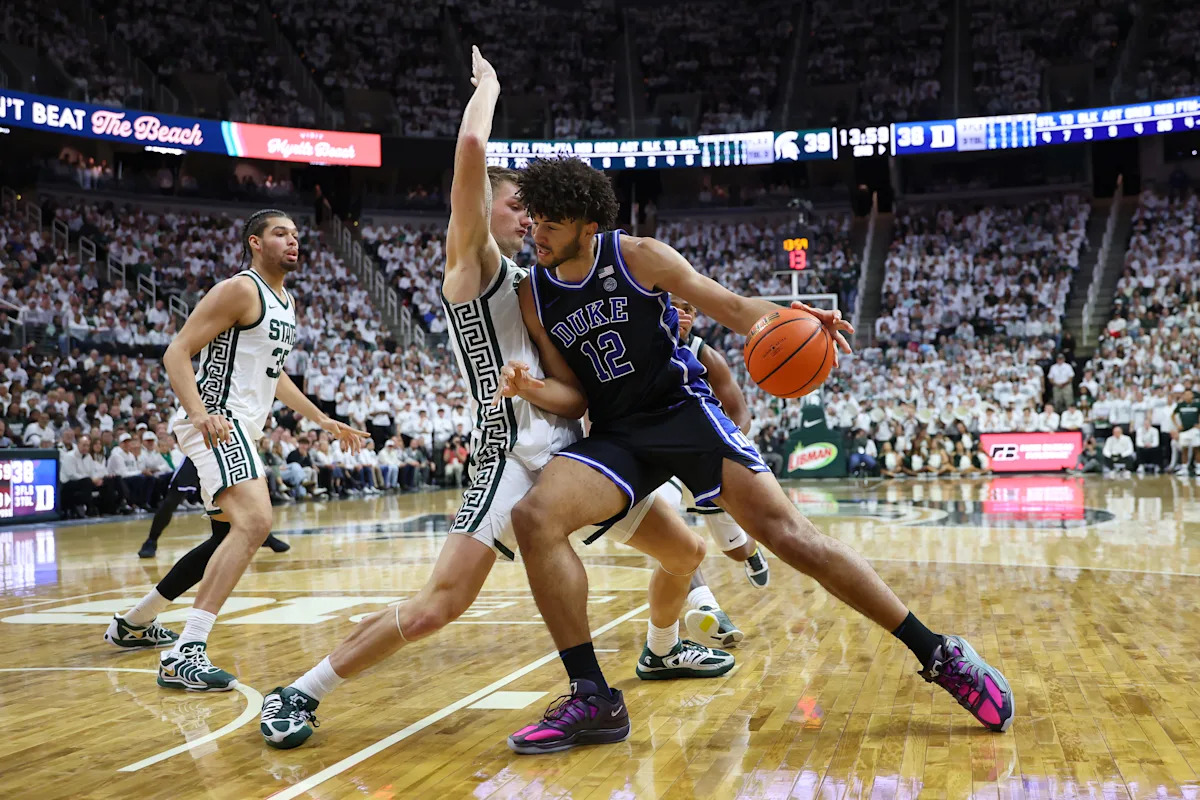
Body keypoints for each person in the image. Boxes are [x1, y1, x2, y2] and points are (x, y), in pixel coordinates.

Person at [259, 50, 732, 751]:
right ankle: (300, 691)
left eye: (535, 212)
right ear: (483, 209)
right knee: (440, 605)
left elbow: (573, 395)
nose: (530, 218)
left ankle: (660, 651)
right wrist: (489, 88)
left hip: (571, 451)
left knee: (686, 552)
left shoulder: (537, 284)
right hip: (507, 452)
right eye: (517, 206)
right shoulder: (472, 264)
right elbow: (472, 154)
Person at [504, 155, 1014, 754]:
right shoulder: (534, 294)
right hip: (616, 432)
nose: (537, 234)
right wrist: (532, 388)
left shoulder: (638, 256)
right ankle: (593, 696)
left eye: (552, 225)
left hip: (682, 414)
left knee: (793, 538)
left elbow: (730, 306)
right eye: (535, 220)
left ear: (589, 227)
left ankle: (939, 653)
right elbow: (574, 395)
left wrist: (791, 318)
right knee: (534, 517)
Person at [105, 208, 367, 691]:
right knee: (256, 522)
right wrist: (200, 413)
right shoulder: (241, 289)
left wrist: (322, 419)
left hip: (241, 426)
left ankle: (133, 623)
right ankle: (186, 652)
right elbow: (176, 352)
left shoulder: (285, 300)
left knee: (223, 538)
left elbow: (274, 374)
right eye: (280, 234)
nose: (293, 241)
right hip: (219, 421)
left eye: (295, 234)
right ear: (255, 243)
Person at [669, 297, 770, 648]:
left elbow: (740, 414)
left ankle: (751, 553)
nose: (680, 312)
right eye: (672, 304)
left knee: (735, 549)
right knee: (668, 530)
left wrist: (721, 449)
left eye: (688, 308)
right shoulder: (640, 345)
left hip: (704, 456)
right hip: (661, 456)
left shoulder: (707, 356)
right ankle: (707, 606)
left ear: (695, 316)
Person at [133, 455, 291, 558]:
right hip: (199, 452)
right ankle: (151, 541)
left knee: (242, 497)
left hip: (226, 449)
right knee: (172, 500)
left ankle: (265, 536)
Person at [1174, 388, 1199, 475]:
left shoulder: (1197, 404)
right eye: (1186, 394)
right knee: (1184, 449)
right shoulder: (1180, 405)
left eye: (1189, 394)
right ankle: (1184, 468)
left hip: (1194, 430)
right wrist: (1177, 425)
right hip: (1184, 430)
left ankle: (1198, 467)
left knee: (1197, 448)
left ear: (1192, 395)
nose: (1187, 396)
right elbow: (1173, 415)